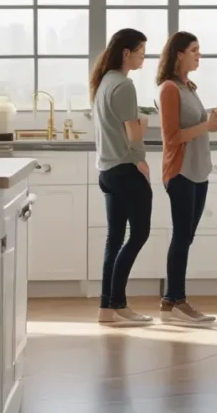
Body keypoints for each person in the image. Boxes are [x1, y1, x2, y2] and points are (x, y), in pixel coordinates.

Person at [156, 31, 217, 324]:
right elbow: (172, 137)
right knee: (182, 236)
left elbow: (196, 128)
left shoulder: (188, 86)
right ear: (179, 54)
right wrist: (206, 126)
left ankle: (171, 302)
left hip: (197, 170)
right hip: (181, 171)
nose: (199, 55)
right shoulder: (169, 88)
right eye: (194, 50)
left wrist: (212, 124)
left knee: (186, 237)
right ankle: (176, 302)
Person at [90, 28, 153, 325]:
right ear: (126, 52)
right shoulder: (125, 86)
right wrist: (141, 159)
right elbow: (132, 133)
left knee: (114, 239)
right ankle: (119, 303)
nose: (143, 56)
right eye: (140, 51)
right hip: (126, 169)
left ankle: (106, 309)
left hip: (106, 171)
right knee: (138, 234)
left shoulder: (103, 82)